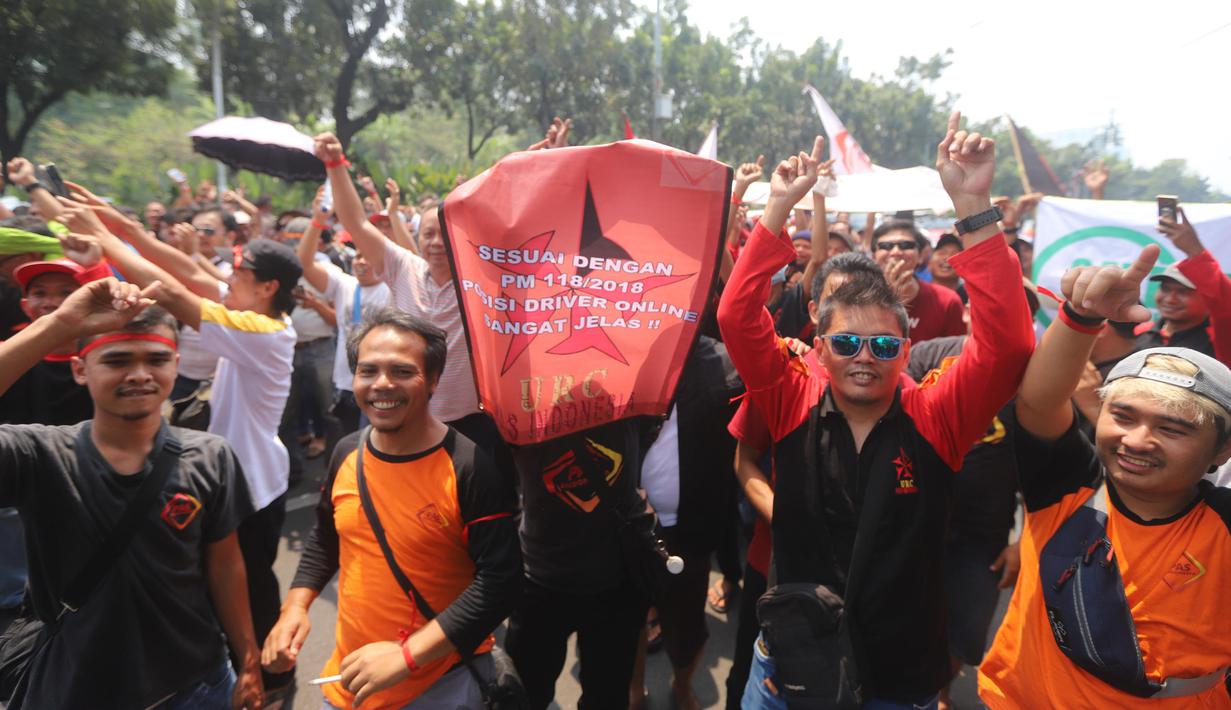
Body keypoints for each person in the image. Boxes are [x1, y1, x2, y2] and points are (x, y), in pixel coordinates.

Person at [717, 115, 1035, 708]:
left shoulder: (939, 414)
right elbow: (737, 317)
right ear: (819, 346)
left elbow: (1010, 346)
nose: (865, 358)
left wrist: (973, 204)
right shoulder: (792, 396)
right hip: (789, 667)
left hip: (899, 672)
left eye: (884, 346)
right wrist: (776, 212)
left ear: (906, 350)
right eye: (846, 343)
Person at [55, 187, 300, 702]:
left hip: (251, 483)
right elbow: (184, 273)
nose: (227, 276)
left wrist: (102, 235)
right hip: (246, 473)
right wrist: (118, 224)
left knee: (250, 584)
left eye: (241, 272)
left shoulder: (262, 330)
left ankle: (270, 676)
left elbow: (169, 290)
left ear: (268, 286)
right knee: (236, 578)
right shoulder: (251, 310)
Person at [977, 246, 1231, 707]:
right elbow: (1037, 403)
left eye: (1172, 428)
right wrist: (1080, 317)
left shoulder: (1224, 527)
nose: (1137, 440)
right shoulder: (1067, 488)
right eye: (1123, 416)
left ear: (1222, 451)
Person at [0, 277, 262, 709]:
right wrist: (60, 324)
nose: (139, 374)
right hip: (78, 690)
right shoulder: (39, 457)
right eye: (117, 360)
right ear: (80, 369)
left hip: (198, 686)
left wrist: (248, 659)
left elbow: (225, 564)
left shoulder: (210, 455)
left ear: (175, 365)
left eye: (156, 359)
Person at [262, 309, 522, 709]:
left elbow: (500, 584)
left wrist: (407, 656)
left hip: (441, 687)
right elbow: (326, 536)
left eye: (402, 371)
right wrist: (295, 606)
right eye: (368, 371)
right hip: (351, 682)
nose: (382, 384)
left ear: (433, 380)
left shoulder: (471, 468)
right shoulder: (346, 451)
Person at [314, 133, 505, 457]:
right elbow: (356, 222)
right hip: (409, 417)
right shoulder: (404, 268)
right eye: (429, 234)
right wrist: (335, 164)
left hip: (473, 421)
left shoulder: (483, 280)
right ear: (417, 236)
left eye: (446, 234)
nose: (436, 242)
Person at [296, 190, 391, 435]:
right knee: (344, 442)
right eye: (358, 255)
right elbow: (304, 263)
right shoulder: (344, 284)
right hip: (346, 383)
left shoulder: (393, 287)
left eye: (368, 257)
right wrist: (317, 221)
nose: (361, 262)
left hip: (379, 384)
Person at [1134, 208, 1231, 364]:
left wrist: (1195, 250)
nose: (1170, 299)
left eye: (1183, 292)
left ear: (1207, 297)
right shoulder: (1140, 333)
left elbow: (1225, 302)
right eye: (1165, 289)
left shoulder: (1219, 338)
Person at [872, 220, 966, 343]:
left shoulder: (947, 301)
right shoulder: (858, 299)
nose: (896, 252)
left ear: (921, 255)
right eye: (886, 246)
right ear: (874, 256)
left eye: (906, 245)